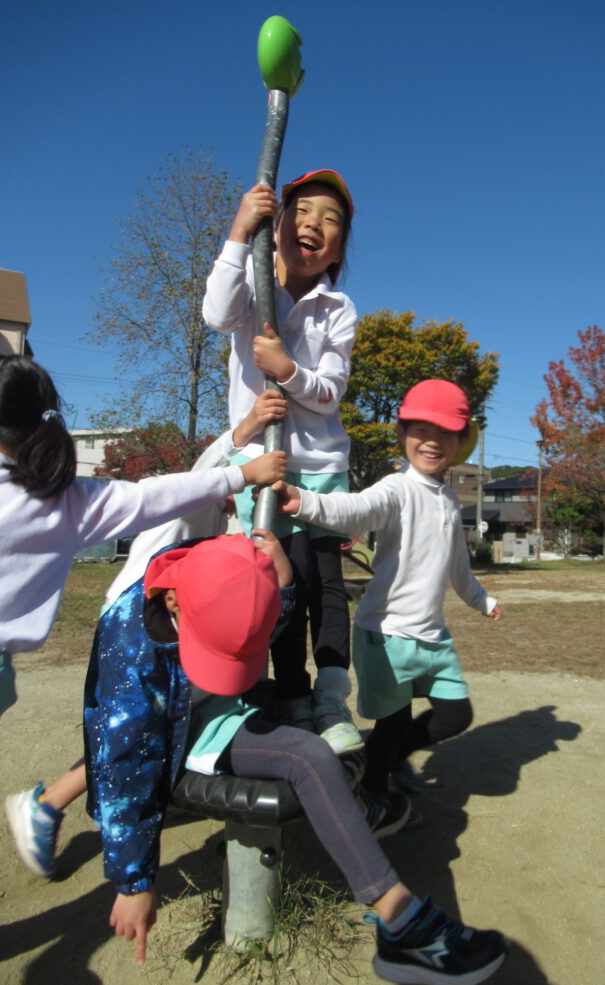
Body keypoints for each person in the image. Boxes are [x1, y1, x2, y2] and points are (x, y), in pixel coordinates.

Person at [83, 531, 508, 985]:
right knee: (307, 756)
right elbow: (124, 767)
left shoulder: (222, 566)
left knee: (312, 744)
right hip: (180, 729)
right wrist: (134, 882)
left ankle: (380, 874)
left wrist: (283, 583)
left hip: (220, 702)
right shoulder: (130, 655)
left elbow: (259, 622)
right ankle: (399, 912)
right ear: (172, 601)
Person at [4, 386, 288, 877]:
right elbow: (201, 472)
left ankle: (66, 802)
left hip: (158, 624)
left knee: (144, 724)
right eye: (243, 485)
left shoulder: (213, 518)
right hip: (135, 627)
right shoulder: (189, 501)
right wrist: (245, 432)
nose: (240, 499)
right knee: (134, 729)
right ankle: (47, 805)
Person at [0, 354, 286, 742]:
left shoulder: (54, 497)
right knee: (133, 728)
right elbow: (180, 485)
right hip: (132, 618)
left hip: (142, 617)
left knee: (138, 726)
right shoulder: (62, 500)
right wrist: (243, 459)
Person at [272, 379, 503, 818]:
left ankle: (393, 759)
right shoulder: (397, 489)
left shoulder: (450, 500)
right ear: (402, 434)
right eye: (420, 429)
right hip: (387, 634)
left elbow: (458, 565)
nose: (432, 441)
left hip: (433, 637)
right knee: (392, 724)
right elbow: (354, 510)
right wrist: (302, 501)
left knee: (456, 716)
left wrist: (482, 600)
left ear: (460, 442)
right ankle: (374, 796)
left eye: (446, 433)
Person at [202, 169, 361, 755]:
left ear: (338, 251)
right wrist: (239, 231)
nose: (314, 223)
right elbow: (216, 315)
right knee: (277, 577)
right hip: (260, 464)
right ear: (277, 224)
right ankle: (292, 691)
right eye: (303, 210)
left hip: (320, 467)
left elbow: (329, 392)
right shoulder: (250, 283)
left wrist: (285, 370)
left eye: (331, 219)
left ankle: (331, 695)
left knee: (325, 584)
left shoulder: (338, 308)